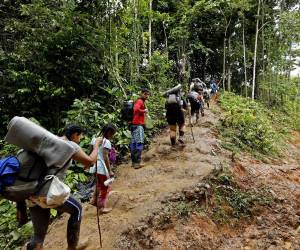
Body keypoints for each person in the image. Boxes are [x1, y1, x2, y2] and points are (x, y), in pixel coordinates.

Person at [26, 124, 102, 250]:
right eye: (80, 136)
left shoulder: (52, 141)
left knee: (38, 236)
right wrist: (97, 145)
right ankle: (72, 247)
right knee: (77, 209)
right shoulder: (70, 145)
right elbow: (90, 161)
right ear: (74, 135)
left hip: (32, 192)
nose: (80, 139)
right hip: (47, 192)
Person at [90, 124, 117, 213]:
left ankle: (94, 200)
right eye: (112, 134)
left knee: (98, 184)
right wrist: (109, 170)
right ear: (109, 132)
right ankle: (101, 207)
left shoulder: (95, 139)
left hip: (94, 166)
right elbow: (105, 157)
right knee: (105, 187)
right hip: (101, 168)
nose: (112, 136)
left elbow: (92, 151)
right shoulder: (107, 142)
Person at [130, 87, 150, 169]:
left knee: (134, 143)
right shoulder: (139, 101)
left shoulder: (139, 101)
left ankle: (134, 162)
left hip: (134, 124)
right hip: (138, 125)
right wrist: (144, 111)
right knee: (139, 143)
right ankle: (137, 163)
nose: (146, 96)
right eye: (145, 94)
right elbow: (135, 109)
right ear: (141, 93)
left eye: (147, 94)